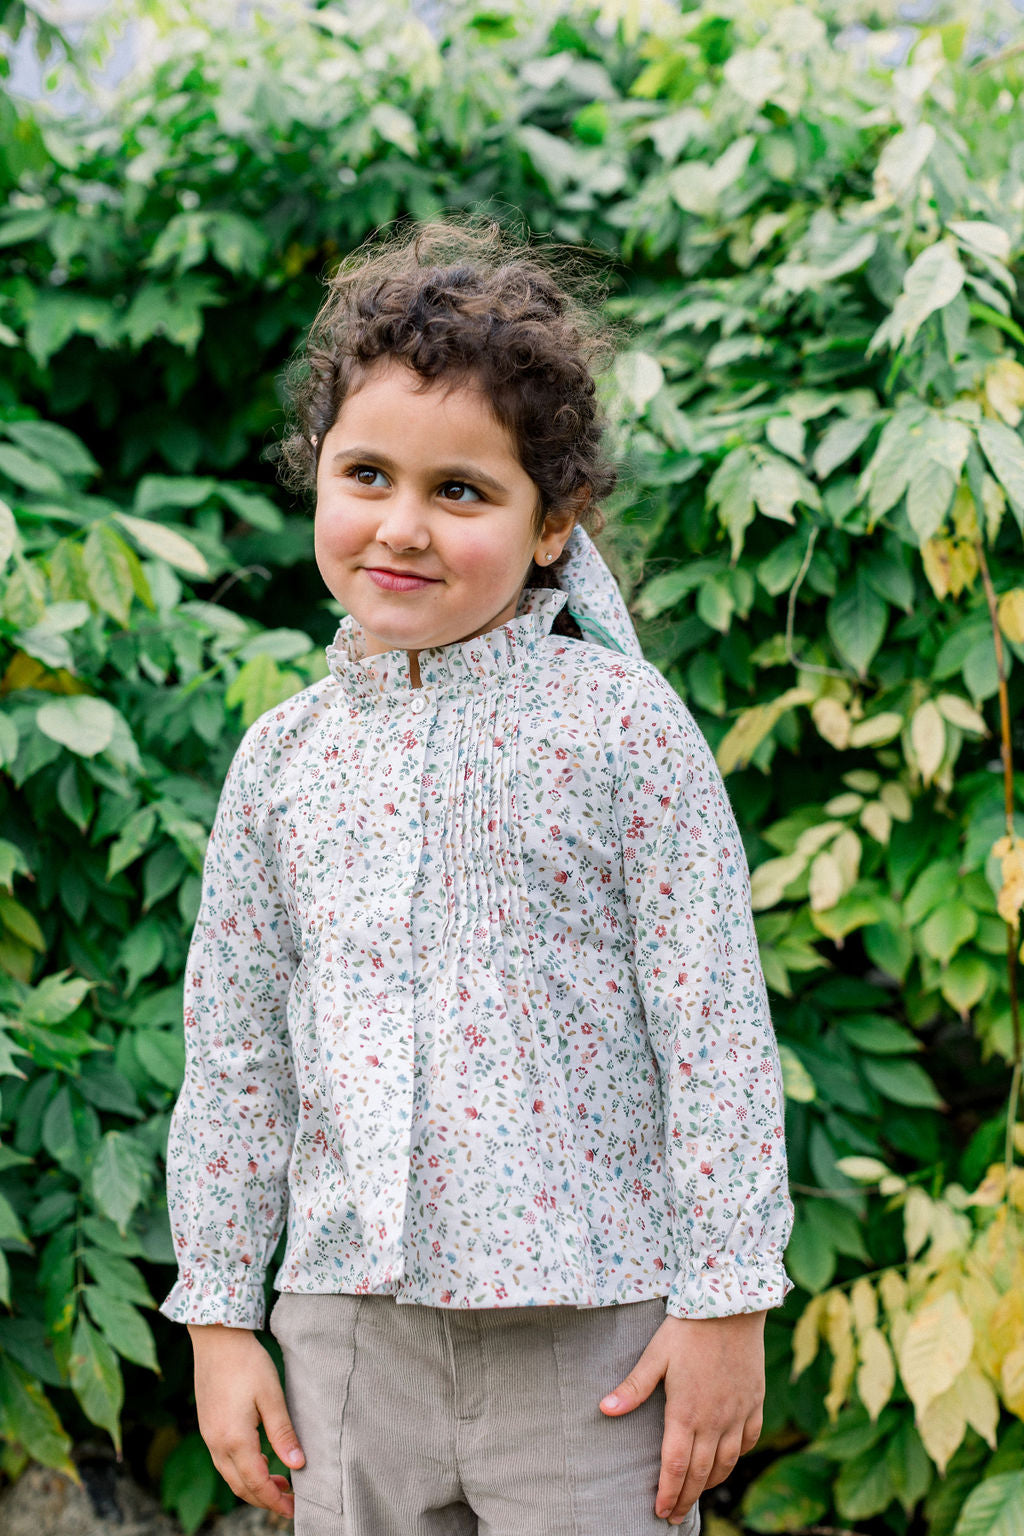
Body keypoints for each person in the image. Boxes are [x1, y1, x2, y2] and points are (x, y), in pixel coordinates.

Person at [159, 219, 794, 1536]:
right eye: (367, 473)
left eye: (461, 492)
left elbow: (714, 1024)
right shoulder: (282, 763)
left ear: (551, 519)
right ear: (316, 473)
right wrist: (222, 1315)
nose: (402, 525)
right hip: (348, 1342)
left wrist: (727, 1298)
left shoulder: (622, 730)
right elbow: (233, 1056)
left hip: (594, 1347)